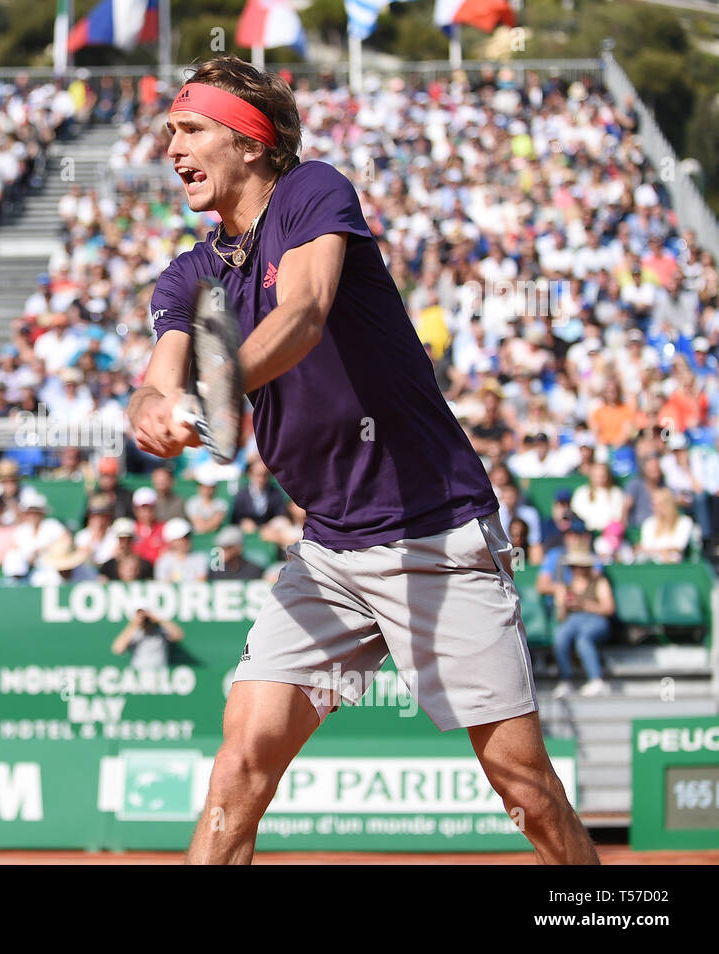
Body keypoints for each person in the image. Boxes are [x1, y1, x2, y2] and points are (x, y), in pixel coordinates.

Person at [130, 57, 594, 863]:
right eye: (171, 130)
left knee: (523, 788)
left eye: (193, 128)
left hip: (435, 536)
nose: (173, 147)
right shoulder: (192, 272)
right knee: (239, 765)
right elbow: (158, 377)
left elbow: (305, 313)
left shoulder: (312, 191)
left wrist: (214, 387)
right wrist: (151, 413)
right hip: (330, 552)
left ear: (251, 143)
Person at [552, 552, 616, 699]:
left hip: (596, 619)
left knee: (584, 640)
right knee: (560, 638)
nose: (577, 570)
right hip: (573, 620)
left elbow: (608, 609)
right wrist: (562, 604)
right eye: (574, 567)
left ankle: (596, 680)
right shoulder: (566, 586)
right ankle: (565, 681)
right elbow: (561, 618)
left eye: (580, 566)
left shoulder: (599, 582)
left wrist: (582, 604)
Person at [111, 607, 184, 669]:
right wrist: (134, 624)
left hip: (159, 675)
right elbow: (118, 649)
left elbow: (178, 635)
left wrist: (158, 619)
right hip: (139, 675)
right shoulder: (133, 632)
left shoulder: (160, 630)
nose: (144, 618)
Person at [637, 487, 694, 563]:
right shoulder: (648, 523)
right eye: (654, 504)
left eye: (658, 504)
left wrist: (661, 552)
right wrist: (661, 552)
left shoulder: (684, 522)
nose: (654, 508)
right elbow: (646, 546)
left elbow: (679, 546)